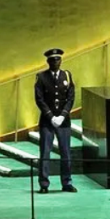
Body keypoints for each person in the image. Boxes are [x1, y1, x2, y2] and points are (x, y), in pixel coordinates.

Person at [35, 48, 77, 193]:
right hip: (47, 121)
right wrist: (51, 116)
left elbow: (71, 97)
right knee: (45, 153)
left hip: (63, 121)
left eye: (58, 59)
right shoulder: (41, 77)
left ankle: (67, 182)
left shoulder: (67, 75)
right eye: (52, 60)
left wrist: (63, 115)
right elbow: (39, 99)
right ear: (48, 61)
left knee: (66, 153)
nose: (55, 62)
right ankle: (44, 184)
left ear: (61, 61)